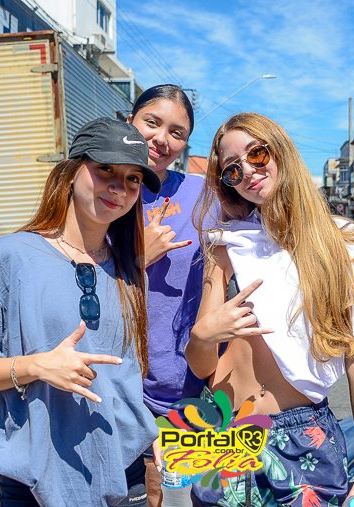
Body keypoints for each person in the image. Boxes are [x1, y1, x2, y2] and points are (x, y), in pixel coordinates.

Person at [0, 118, 160, 506]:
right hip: (38, 481)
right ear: (70, 172)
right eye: (105, 169)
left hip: (126, 476)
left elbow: (127, 372)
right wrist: (37, 366)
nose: (119, 187)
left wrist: (145, 436)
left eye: (133, 179)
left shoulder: (129, 270)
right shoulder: (10, 256)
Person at [187, 113, 354, 507]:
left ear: (280, 151)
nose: (248, 172)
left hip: (299, 438)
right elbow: (201, 365)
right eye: (233, 170)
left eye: (256, 154)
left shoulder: (348, 245)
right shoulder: (226, 244)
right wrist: (201, 337)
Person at [127, 84, 205, 505]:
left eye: (177, 132)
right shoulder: (102, 191)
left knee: (178, 494)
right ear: (130, 122)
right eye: (151, 123)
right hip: (121, 386)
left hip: (189, 384)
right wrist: (140, 257)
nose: (162, 139)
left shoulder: (202, 193)